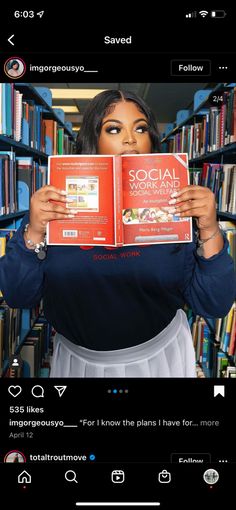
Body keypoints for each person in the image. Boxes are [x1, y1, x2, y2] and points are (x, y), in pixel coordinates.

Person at [0, 90, 235, 378]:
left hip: (160, 358)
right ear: (93, 139)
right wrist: (35, 230)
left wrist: (209, 229)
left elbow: (215, 303)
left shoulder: (178, 207)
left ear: (151, 139)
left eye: (140, 128)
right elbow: (17, 295)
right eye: (114, 129)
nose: (130, 139)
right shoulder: (52, 206)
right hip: (79, 363)